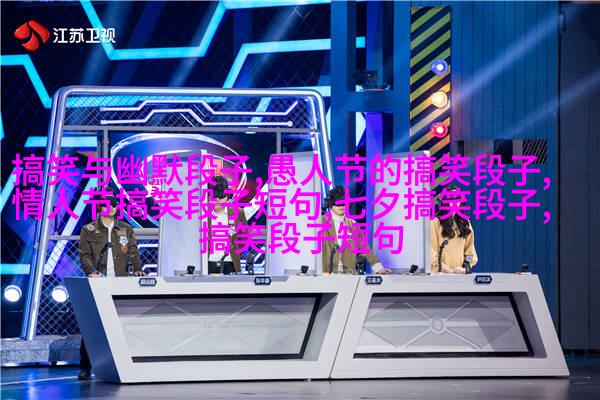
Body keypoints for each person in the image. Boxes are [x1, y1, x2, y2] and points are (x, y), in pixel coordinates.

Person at [78, 192, 144, 380]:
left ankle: (124, 364)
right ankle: (85, 367)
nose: (113, 207)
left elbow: (133, 252)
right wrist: (92, 272)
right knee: (92, 324)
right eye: (108, 204)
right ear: (100, 207)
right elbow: (84, 255)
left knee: (122, 323)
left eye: (115, 204)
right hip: (98, 282)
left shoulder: (125, 229)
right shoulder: (88, 229)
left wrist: (137, 269)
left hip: (120, 281)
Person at [320, 186, 392, 275]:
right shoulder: (320, 222)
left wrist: (378, 268)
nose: (342, 206)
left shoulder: (353, 225)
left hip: (348, 275)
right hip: (325, 275)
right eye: (338, 203)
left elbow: (365, 248)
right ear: (330, 204)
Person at [430, 185, 478, 274]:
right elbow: (431, 252)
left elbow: (470, 251)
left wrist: (465, 268)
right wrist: (446, 269)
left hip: (459, 275)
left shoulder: (465, 223)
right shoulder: (434, 223)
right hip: (439, 275)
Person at [206, 175, 247, 274]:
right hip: (207, 264)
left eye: (221, 196)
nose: (217, 200)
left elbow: (244, 238)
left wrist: (234, 253)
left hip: (231, 265)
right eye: (214, 196)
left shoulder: (238, 213)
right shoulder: (201, 214)